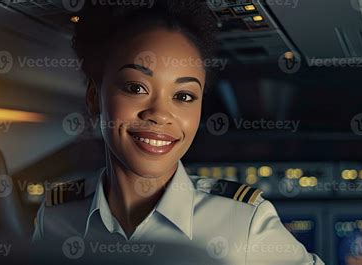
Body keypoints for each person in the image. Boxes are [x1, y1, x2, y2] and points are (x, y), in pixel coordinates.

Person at [32, 1, 324, 264]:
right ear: (94, 97)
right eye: (136, 88)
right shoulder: (57, 218)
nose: (159, 114)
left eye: (183, 96)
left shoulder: (246, 223)